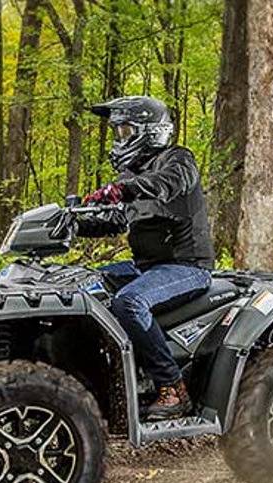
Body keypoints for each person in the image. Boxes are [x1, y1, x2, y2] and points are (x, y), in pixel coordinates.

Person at [75, 96, 215, 419]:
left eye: (125, 132)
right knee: (84, 286)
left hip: (187, 266)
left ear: (150, 132)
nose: (119, 140)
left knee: (129, 302)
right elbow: (114, 221)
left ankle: (172, 387)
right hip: (146, 267)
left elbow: (167, 185)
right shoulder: (131, 175)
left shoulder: (178, 160)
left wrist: (124, 190)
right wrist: (73, 222)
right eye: (117, 133)